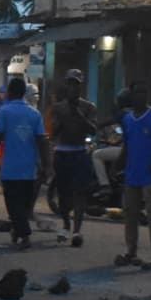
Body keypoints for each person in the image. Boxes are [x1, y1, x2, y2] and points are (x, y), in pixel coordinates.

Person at [113, 86, 151, 271]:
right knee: (130, 213)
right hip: (132, 173)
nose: (140, 97)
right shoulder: (128, 120)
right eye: (137, 93)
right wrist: (118, 165)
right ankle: (131, 251)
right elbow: (127, 145)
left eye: (143, 93)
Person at [0, 76, 46, 248]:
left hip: (10, 167)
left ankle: (24, 234)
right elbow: (42, 141)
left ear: (11, 92)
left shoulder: (4, 111)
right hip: (28, 168)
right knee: (23, 203)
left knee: (13, 204)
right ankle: (17, 230)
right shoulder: (35, 114)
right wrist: (45, 164)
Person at [45, 70, 99, 247]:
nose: (73, 87)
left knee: (80, 193)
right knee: (63, 192)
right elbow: (54, 131)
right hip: (63, 152)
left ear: (81, 85)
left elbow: (93, 129)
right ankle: (66, 224)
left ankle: (76, 230)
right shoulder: (59, 107)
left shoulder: (89, 107)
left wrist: (77, 114)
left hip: (79, 151)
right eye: (70, 83)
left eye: (76, 83)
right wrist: (62, 119)